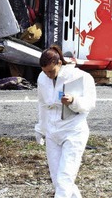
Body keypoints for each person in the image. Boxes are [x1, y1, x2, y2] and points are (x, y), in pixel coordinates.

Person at [35, 45, 96, 198]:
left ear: (60, 64)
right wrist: (40, 129)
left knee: (64, 179)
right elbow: (42, 104)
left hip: (73, 130)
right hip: (52, 131)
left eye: (51, 71)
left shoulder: (81, 77)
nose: (48, 75)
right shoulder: (42, 78)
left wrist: (73, 101)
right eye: (45, 71)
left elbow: (90, 103)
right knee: (58, 180)